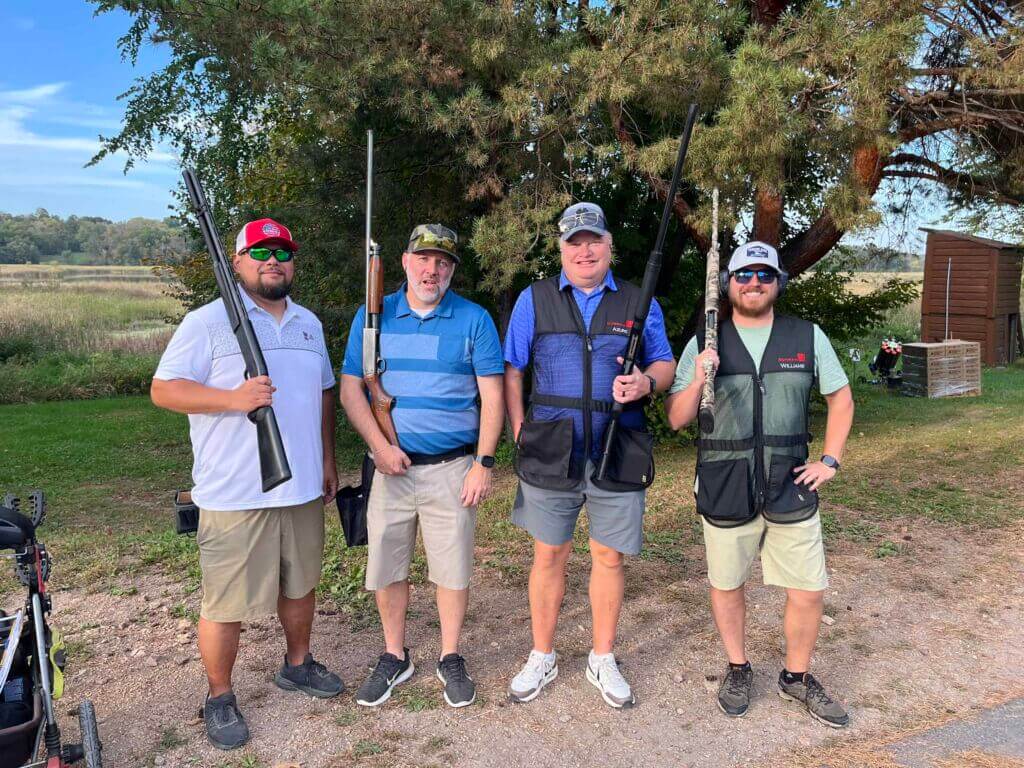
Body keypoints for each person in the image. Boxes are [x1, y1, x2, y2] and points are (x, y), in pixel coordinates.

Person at [151, 218, 343, 751]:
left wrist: (328, 460)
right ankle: (219, 696)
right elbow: (163, 390)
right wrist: (233, 400)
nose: (272, 260)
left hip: (301, 487)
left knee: (300, 586)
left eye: (282, 251)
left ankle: (297, 665)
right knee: (225, 604)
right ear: (237, 262)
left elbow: (325, 393)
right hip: (235, 495)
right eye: (259, 252)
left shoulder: (308, 323)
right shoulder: (208, 322)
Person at [665, 240, 855, 728]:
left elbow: (840, 398)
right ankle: (738, 667)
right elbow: (676, 418)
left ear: (778, 284)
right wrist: (698, 377)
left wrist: (830, 460)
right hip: (724, 481)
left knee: (808, 589)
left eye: (764, 275)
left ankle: (797, 676)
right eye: (744, 275)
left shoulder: (805, 335)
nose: (754, 283)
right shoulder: (705, 341)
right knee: (727, 584)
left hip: (790, 484)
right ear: (727, 284)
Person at [503, 202, 676, 709]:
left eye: (593, 241)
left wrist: (646, 383)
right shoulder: (534, 299)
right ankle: (542, 654)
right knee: (548, 554)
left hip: (618, 446)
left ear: (608, 246)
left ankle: (602, 657)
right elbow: (513, 368)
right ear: (561, 249)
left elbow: (664, 363)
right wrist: (518, 427)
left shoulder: (637, 300)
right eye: (574, 243)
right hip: (550, 450)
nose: (585, 251)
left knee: (609, 556)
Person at [339, 224, 504, 709]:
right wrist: (379, 447)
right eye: (425, 259)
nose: (433, 270)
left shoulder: (474, 319)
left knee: (452, 568)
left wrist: (483, 462)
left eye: (443, 262)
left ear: (452, 270)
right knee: (387, 564)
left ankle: (450, 655)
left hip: (452, 468)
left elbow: (493, 397)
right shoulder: (373, 317)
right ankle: (395, 655)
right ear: (406, 262)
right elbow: (351, 390)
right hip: (390, 468)